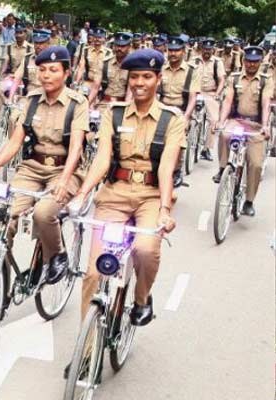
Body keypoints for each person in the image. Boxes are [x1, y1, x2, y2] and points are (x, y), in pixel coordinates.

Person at [69, 48, 183, 338]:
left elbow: (166, 168)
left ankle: (142, 298)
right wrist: (82, 193)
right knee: (95, 272)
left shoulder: (172, 120)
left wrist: (165, 211)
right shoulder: (114, 114)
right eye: (134, 77)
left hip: (151, 197)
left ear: (158, 79)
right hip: (115, 194)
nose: (139, 83)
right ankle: (87, 350)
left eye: (146, 76)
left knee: (145, 249)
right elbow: (102, 158)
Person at [0, 46, 88, 305]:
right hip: (32, 168)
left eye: (53, 70)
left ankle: (57, 256)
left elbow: (76, 147)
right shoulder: (30, 101)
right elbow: (15, 141)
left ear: (66, 73)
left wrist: (64, 181)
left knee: (43, 213)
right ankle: (2, 288)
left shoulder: (77, 103)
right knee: (3, 219)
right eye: (42, 70)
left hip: (64, 170)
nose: (46, 75)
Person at [213, 46, 273, 216]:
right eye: (248, 61)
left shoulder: (265, 80)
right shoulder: (235, 78)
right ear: (243, 61)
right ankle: (223, 169)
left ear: (260, 63)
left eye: (255, 62)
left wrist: (265, 125)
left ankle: (248, 201)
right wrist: (221, 121)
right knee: (224, 134)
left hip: (255, 125)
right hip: (236, 120)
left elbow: (266, 103)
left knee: (255, 164)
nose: (251, 65)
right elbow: (227, 101)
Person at [192, 38, 226, 161]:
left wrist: (218, 93)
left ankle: (206, 149)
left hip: (211, 94)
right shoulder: (194, 60)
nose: (207, 51)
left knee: (214, 120)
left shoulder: (218, 62)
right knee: (187, 116)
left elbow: (222, 80)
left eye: (209, 49)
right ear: (201, 49)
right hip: (195, 93)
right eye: (205, 49)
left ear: (213, 50)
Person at [89, 32, 132, 107]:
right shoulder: (105, 63)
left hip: (123, 104)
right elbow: (95, 88)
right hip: (105, 103)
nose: (119, 49)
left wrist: (125, 108)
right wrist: (87, 105)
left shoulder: (132, 66)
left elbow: (130, 93)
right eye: (117, 45)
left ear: (129, 47)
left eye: (123, 46)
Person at [9, 28, 51, 102]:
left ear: (48, 43)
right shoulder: (27, 58)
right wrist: (10, 98)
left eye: (41, 43)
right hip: (29, 96)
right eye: (36, 43)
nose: (38, 46)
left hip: (47, 97)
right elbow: (16, 79)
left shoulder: (53, 60)